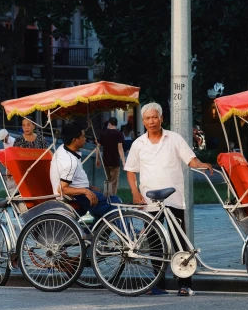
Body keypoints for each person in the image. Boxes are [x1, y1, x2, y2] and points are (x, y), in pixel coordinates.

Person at [125, 102, 213, 297]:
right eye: (147, 118)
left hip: (174, 198)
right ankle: (158, 284)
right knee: (154, 242)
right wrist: (135, 192)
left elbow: (191, 160)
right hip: (149, 201)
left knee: (179, 241)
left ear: (161, 118)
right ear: (143, 121)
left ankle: (185, 284)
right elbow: (130, 171)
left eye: (154, 117)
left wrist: (202, 165)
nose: (151, 121)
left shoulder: (174, 139)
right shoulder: (138, 144)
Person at [50, 120, 121, 218]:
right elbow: (61, 189)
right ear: (75, 140)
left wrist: (90, 187)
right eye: (83, 136)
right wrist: (86, 191)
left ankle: (93, 232)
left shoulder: (63, 148)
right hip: (77, 197)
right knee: (114, 201)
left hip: (80, 192)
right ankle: (129, 232)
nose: (85, 139)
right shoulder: (70, 162)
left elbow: (74, 180)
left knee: (104, 205)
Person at [97, 116, 125, 195]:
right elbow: (120, 148)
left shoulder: (104, 133)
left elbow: (97, 147)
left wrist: (97, 159)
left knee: (108, 180)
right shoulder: (119, 134)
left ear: (109, 124)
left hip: (105, 161)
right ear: (116, 124)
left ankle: (106, 197)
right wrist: (123, 162)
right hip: (115, 161)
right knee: (114, 182)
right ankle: (112, 199)